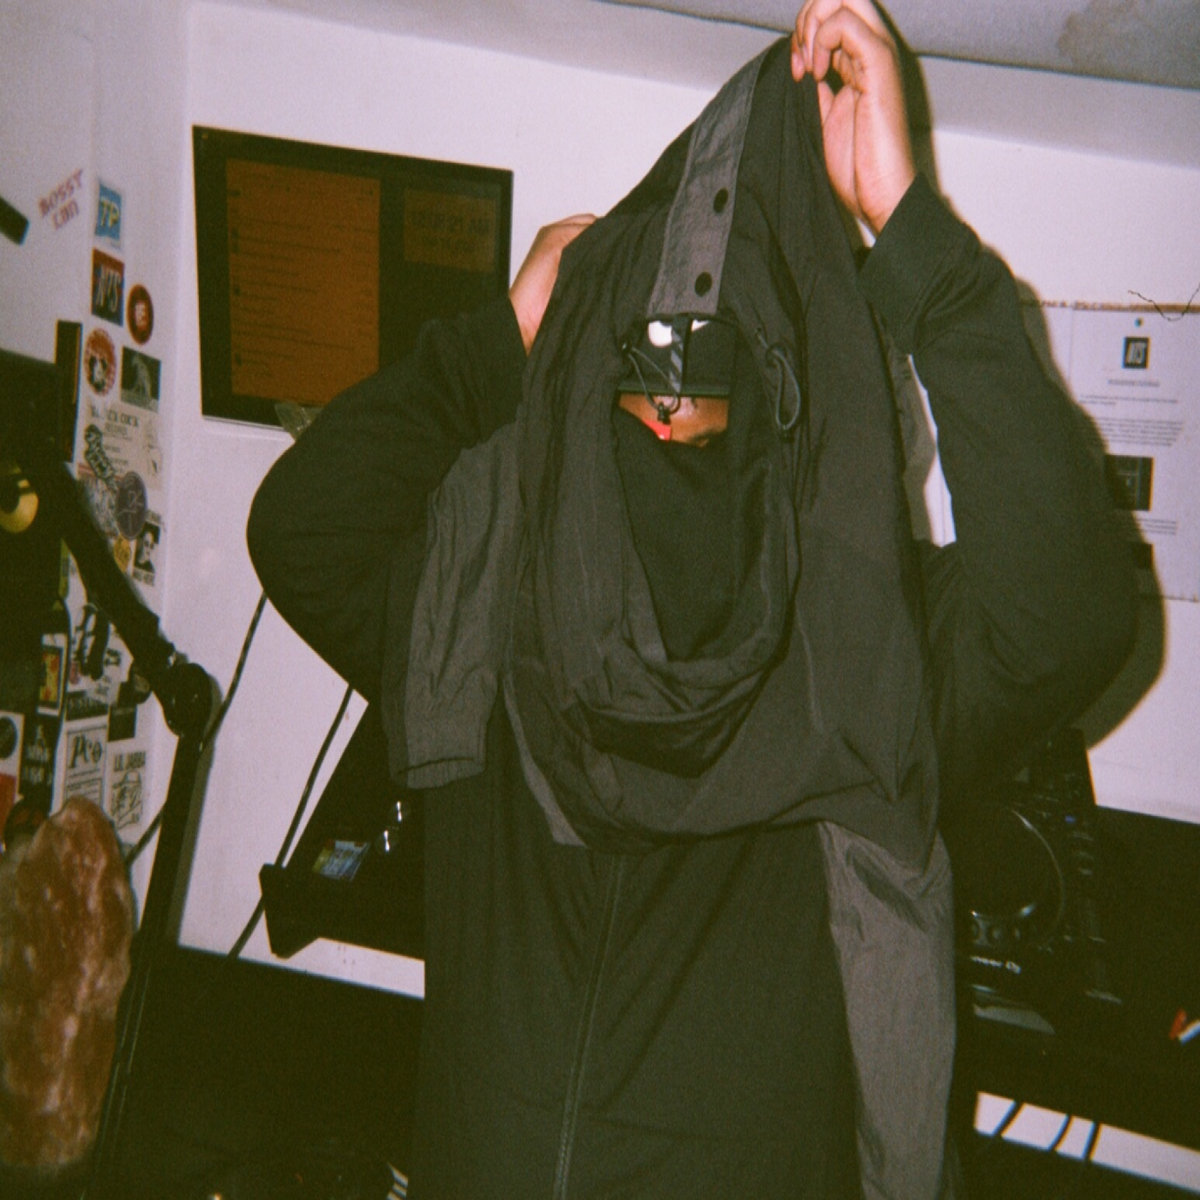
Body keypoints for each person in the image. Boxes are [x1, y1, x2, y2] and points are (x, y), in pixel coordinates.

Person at [247, 2, 1136, 1196]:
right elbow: (304, 532)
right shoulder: (489, 599)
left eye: (713, 396)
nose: (676, 424)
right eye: (650, 384)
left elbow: (1066, 618)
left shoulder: (863, 646)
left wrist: (910, 234)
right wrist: (509, 343)